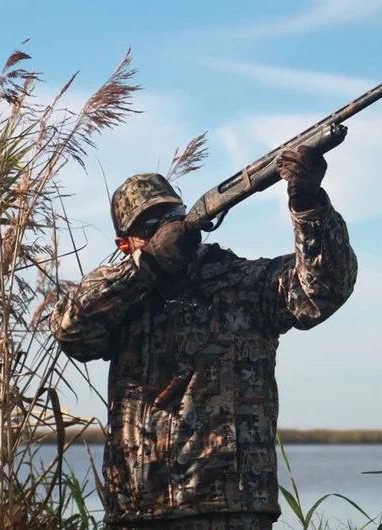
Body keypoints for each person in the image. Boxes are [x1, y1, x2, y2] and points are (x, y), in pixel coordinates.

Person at [49, 145, 358, 530]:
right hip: (137, 513)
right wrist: (144, 269)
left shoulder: (244, 282)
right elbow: (71, 332)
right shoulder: (122, 302)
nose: (166, 229)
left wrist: (309, 207)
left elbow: (324, 289)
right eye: (149, 227)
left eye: (172, 216)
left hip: (231, 510)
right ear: (125, 245)